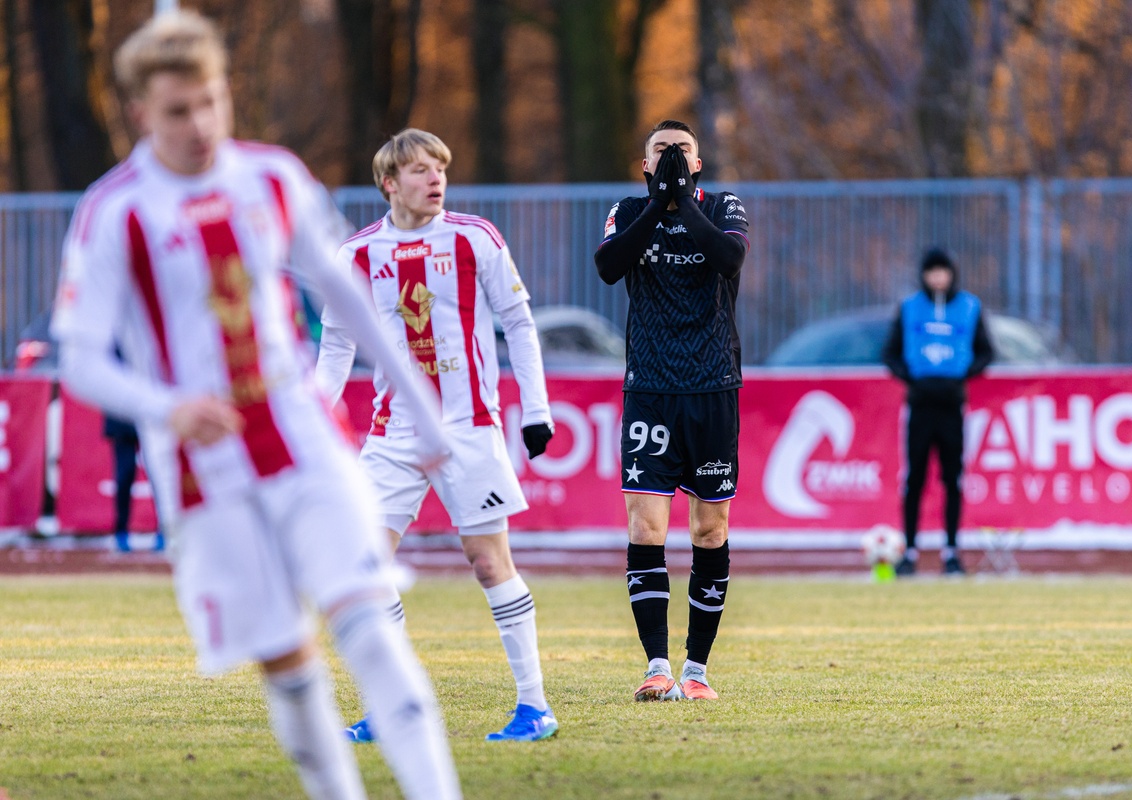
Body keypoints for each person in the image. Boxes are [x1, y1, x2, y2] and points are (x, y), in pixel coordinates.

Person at [51, 12, 460, 799]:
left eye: (211, 102)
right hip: (206, 474)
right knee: (289, 662)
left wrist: (423, 412)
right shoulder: (115, 211)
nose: (200, 125)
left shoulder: (270, 177)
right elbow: (81, 359)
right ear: (141, 113)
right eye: (178, 110)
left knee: (370, 625)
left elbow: (343, 291)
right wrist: (166, 404)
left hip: (304, 438)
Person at [315, 128, 558, 743]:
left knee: (486, 560)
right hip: (392, 430)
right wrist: (316, 413)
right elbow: (338, 342)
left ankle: (535, 707)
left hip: (469, 425)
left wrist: (536, 408)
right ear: (389, 183)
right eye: (421, 170)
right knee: (362, 565)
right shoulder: (357, 255)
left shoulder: (476, 238)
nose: (435, 179)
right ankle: (393, 705)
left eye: (440, 168)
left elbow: (518, 323)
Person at [594, 120, 749, 701]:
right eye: (661, 150)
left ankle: (697, 671)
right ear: (644, 164)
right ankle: (656, 666)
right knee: (645, 526)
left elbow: (729, 258)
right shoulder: (629, 208)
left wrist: (682, 201)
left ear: (699, 162)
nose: (672, 157)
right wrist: (658, 203)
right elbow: (610, 266)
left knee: (710, 530)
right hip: (651, 389)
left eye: (682, 150)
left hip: (713, 388)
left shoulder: (724, 205)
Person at [882, 247, 995, 576]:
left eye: (942, 271)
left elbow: (987, 352)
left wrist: (961, 374)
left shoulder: (969, 307)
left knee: (952, 478)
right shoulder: (909, 307)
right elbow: (889, 354)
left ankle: (950, 552)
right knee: (914, 478)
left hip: (952, 404)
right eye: (932, 271)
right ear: (924, 274)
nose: (937, 278)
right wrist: (912, 379)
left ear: (951, 273)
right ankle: (910, 551)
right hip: (919, 404)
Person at [102, 411, 140, 553]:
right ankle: (121, 531)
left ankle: (165, 530)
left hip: (151, 419)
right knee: (125, 474)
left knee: (159, 478)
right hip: (122, 418)